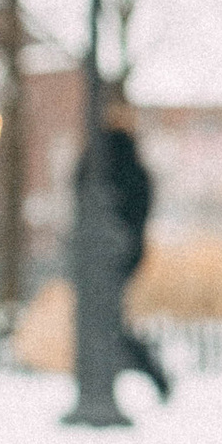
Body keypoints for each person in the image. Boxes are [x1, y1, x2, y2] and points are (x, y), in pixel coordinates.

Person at [74, 104, 170, 399]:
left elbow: (82, 196)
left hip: (106, 256)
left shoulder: (102, 170)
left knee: (104, 323)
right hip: (124, 254)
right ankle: (136, 373)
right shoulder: (134, 172)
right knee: (108, 322)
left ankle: (130, 375)